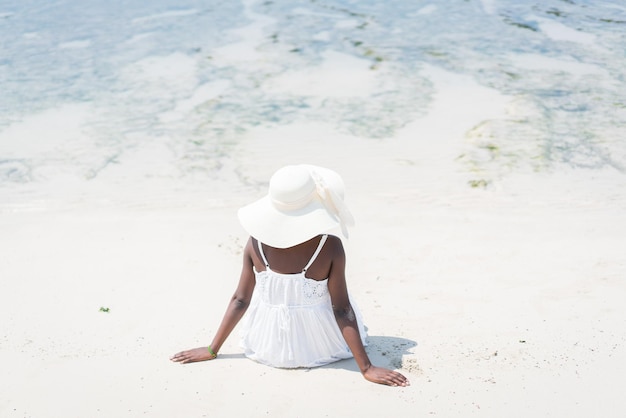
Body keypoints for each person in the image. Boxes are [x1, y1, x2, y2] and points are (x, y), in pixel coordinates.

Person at [170, 164, 410, 387]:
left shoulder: (255, 243)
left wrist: (212, 349)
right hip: (320, 346)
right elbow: (341, 309)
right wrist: (366, 368)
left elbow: (240, 300)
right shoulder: (329, 247)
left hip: (268, 346)